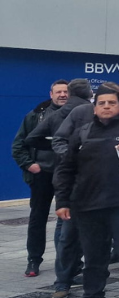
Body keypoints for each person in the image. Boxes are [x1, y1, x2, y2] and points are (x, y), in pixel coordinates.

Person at [54, 87, 119, 298]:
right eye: (102, 103)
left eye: (111, 102)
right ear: (94, 107)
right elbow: (66, 169)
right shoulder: (81, 133)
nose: (106, 106)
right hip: (87, 207)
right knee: (94, 259)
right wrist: (62, 201)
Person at [11, 79, 69, 278]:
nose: (62, 94)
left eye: (65, 91)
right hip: (42, 174)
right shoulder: (36, 115)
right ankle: (34, 260)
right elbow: (18, 145)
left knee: (69, 219)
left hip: (67, 175)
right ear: (51, 94)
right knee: (38, 218)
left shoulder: (77, 114)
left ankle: (69, 262)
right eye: (58, 91)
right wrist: (29, 165)